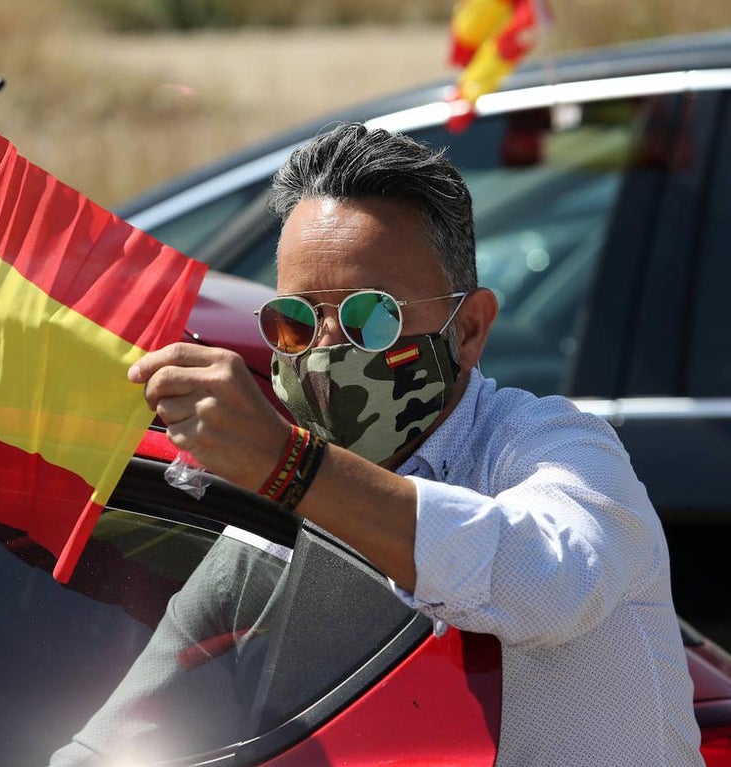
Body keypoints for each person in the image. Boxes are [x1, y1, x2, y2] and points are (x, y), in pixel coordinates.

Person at [118, 122, 703, 766]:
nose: (328, 352)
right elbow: (137, 717)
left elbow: (550, 579)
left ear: (471, 328)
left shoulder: (560, 448)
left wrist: (290, 466)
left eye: (372, 317)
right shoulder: (281, 514)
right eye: (296, 322)